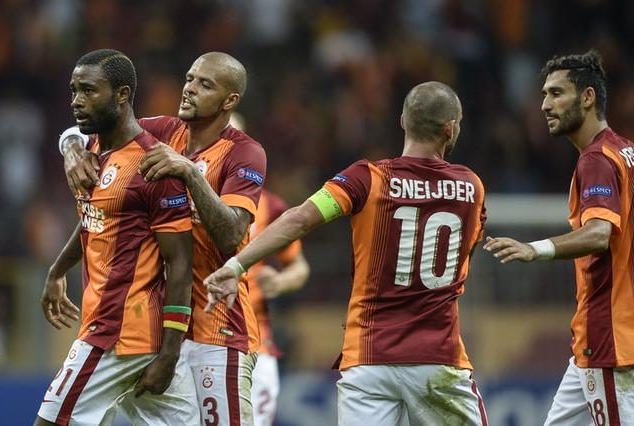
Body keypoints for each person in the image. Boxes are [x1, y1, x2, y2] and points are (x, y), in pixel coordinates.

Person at [205, 81, 489, 425]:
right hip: (438, 358)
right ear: (451, 128)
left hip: (368, 358)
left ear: (403, 120)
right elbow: (463, 254)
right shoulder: (471, 186)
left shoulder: (367, 178)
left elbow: (300, 218)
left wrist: (237, 264)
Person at [58, 51, 266, 425]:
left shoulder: (245, 153)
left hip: (218, 328)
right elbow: (98, 122)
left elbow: (232, 235)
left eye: (205, 84)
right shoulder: (165, 131)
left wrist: (190, 172)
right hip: (163, 329)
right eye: (189, 78)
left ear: (229, 100)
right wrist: (71, 149)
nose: (189, 89)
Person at [483, 50, 634, 425]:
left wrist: (535, 249)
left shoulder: (596, 159)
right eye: (545, 94)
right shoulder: (628, 152)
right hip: (599, 342)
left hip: (611, 340)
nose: (545, 105)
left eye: (557, 93)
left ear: (588, 97)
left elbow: (599, 234)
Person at [35, 49, 199, 425]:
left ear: (122, 94)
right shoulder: (92, 151)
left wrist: (170, 353)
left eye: (89, 91)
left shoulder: (152, 165)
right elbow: (94, 222)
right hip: (132, 335)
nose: (77, 101)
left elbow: (179, 262)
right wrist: (57, 271)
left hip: (116, 333)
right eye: (74, 90)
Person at [229, 114, 312, 425]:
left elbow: (299, 267)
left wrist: (280, 280)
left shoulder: (269, 206)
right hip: (188, 341)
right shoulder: (176, 196)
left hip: (253, 343)